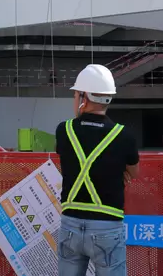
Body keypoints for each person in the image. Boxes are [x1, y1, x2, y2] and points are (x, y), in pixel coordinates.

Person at [56, 64, 139, 276]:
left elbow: (67, 161)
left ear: (84, 97)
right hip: (107, 226)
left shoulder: (64, 131)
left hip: (71, 224)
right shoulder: (124, 135)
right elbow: (134, 172)